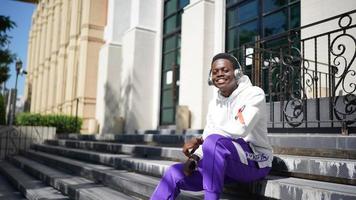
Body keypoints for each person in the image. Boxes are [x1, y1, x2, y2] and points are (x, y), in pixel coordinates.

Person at [150, 53, 273, 200]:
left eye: (225, 70)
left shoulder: (254, 94)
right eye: (215, 72)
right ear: (211, 78)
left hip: (255, 161)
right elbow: (210, 134)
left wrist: (204, 138)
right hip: (224, 165)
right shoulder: (214, 103)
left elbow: (239, 129)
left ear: (237, 73)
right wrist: (195, 157)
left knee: (214, 141)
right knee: (174, 173)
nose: (219, 74)